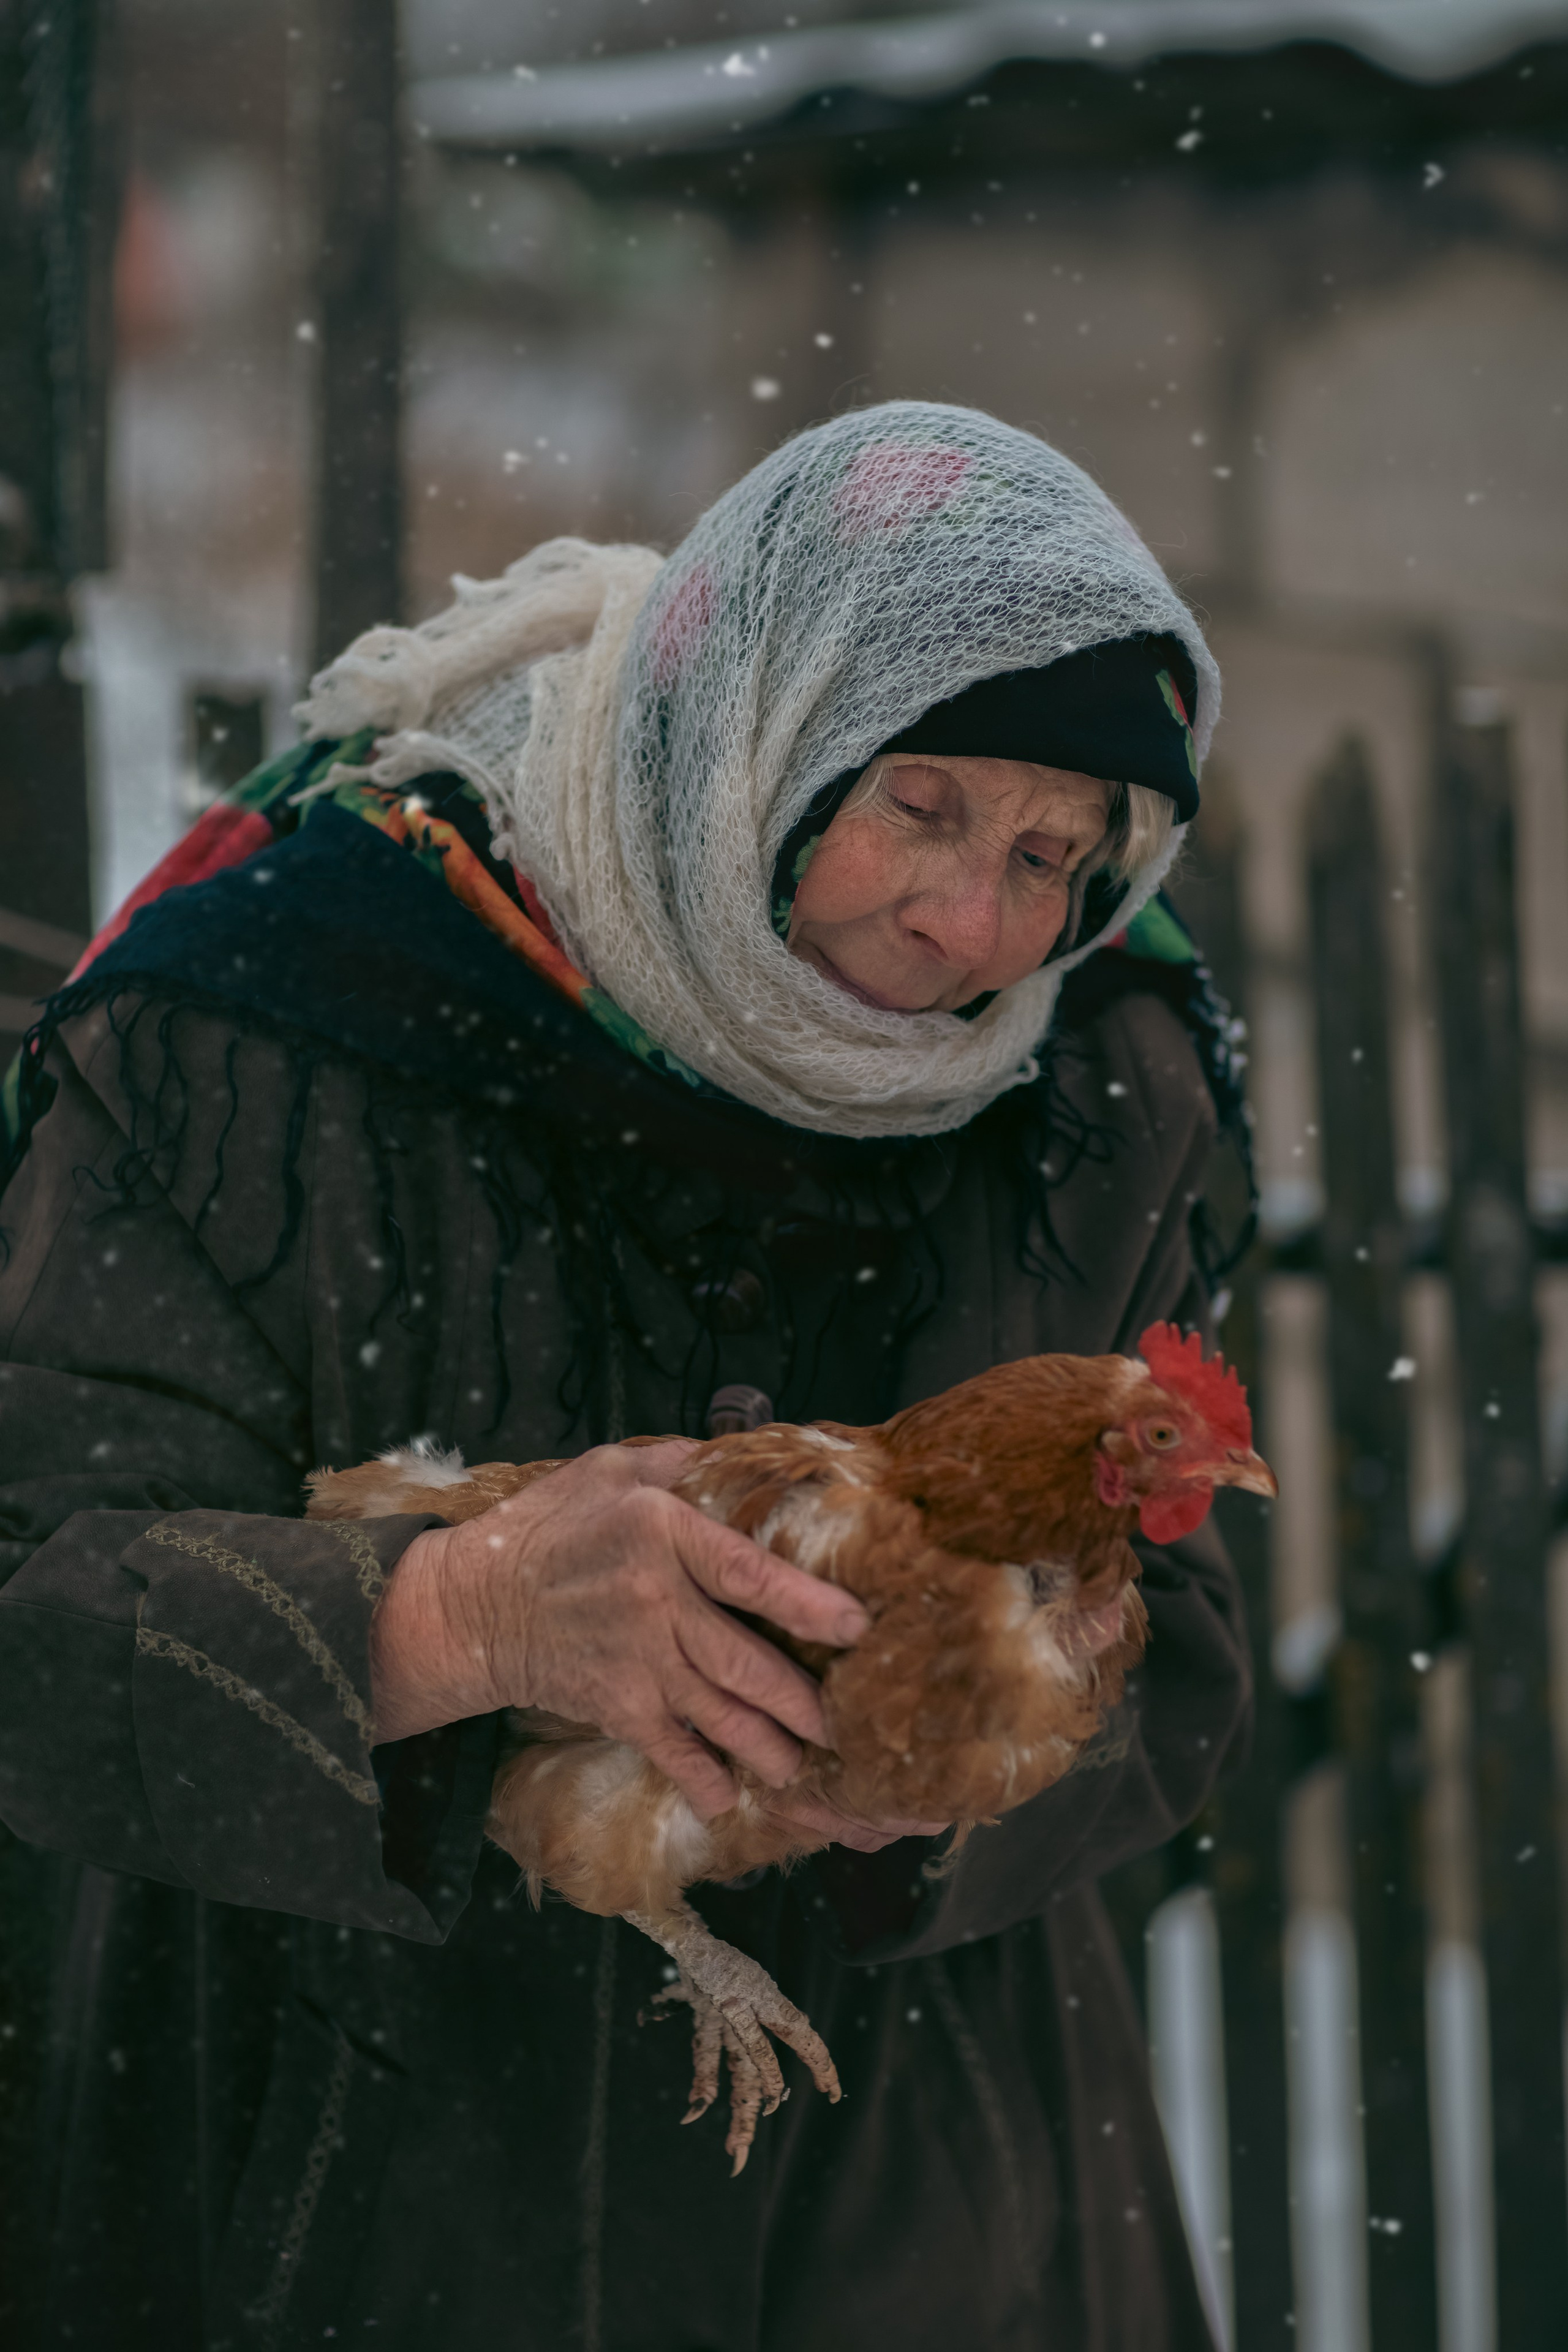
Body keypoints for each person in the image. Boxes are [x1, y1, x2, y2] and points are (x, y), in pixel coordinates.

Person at [0, 402, 1250, 2350]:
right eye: (921, 804)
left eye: (1050, 852)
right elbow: (33, 1612)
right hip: (357, 2211)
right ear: (765, 718)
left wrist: (942, 1756)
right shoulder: (268, 1023)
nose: (972, 925)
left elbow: (1184, 1633)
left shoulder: (1099, 1081)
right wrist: (451, 1618)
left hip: (947, 2226)